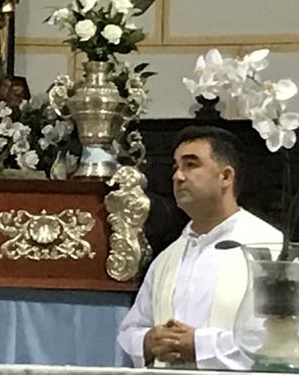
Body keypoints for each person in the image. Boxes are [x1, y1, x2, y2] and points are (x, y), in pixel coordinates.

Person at [117, 126, 282, 369]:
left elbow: (277, 338)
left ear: (225, 177)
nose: (177, 176)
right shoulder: (167, 258)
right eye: (176, 167)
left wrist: (200, 346)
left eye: (190, 165)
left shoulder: (268, 246)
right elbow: (130, 331)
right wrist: (149, 341)